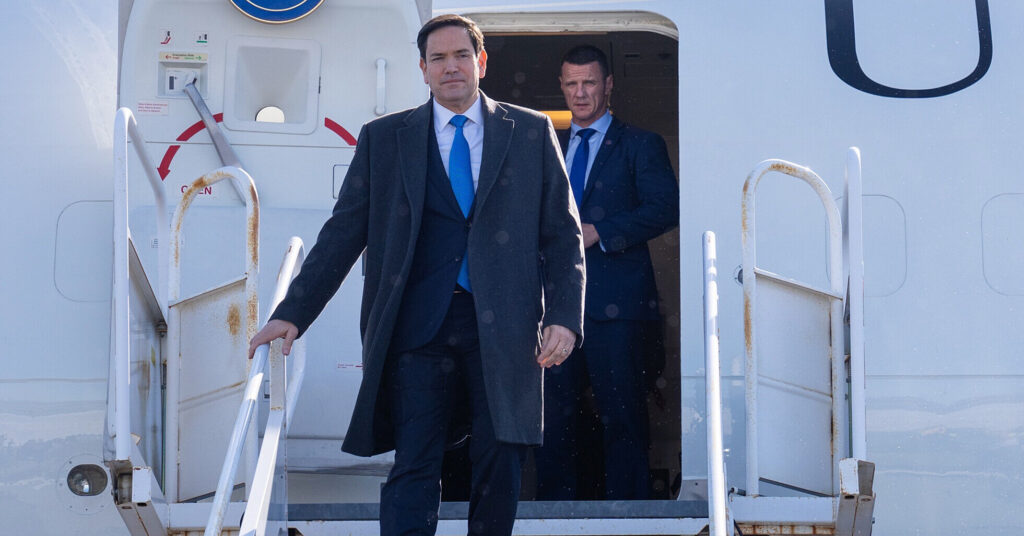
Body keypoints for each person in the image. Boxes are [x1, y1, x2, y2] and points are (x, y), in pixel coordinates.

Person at [247, 15, 585, 536]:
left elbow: (562, 234)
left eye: (461, 56)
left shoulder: (531, 131)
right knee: (415, 462)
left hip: (506, 327)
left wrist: (564, 316)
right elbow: (343, 233)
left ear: (481, 62)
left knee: (502, 458)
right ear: (423, 69)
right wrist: (293, 313)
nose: (451, 67)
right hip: (416, 326)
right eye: (438, 58)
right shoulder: (385, 138)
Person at [534, 44, 679, 501]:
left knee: (624, 418)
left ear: (609, 85)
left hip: (618, 309)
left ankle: (630, 518)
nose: (580, 93)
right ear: (561, 87)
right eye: (572, 84)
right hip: (554, 308)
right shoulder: (545, 146)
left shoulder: (640, 143)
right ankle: (553, 520)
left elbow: (665, 208)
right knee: (551, 420)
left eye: (590, 83)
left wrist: (602, 231)